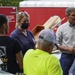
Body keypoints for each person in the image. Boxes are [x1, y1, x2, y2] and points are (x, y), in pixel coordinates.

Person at [56, 7, 75, 75]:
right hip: (66, 57)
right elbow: (56, 44)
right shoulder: (62, 28)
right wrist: (68, 48)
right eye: (73, 15)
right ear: (67, 16)